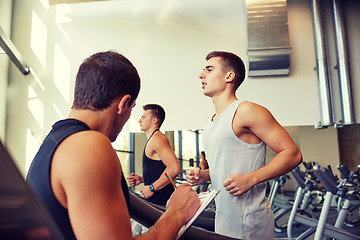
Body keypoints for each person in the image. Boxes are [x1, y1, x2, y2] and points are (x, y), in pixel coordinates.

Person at [26, 51, 200, 240]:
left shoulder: (56, 139)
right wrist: (177, 213)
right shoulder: (88, 146)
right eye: (133, 110)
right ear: (123, 104)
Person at [186, 51, 302, 239]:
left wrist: (250, 179)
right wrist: (203, 175)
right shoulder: (210, 121)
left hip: (250, 218)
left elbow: (292, 153)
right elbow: (227, 166)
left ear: (229, 76)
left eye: (209, 69)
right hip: (224, 216)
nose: (201, 75)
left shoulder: (247, 110)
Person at [127, 104, 181, 206]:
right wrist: (143, 179)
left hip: (161, 201)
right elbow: (159, 169)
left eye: (143, 117)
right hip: (157, 200)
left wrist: (152, 187)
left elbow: (175, 168)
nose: (139, 120)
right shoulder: (153, 139)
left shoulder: (157, 138)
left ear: (154, 121)